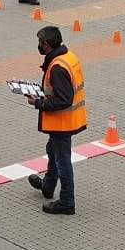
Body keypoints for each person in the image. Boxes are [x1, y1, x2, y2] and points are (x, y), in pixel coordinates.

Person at [27, 25, 85, 215]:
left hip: (62, 121)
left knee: (62, 160)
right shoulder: (67, 56)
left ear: (46, 45)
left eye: (39, 43)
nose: (38, 46)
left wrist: (39, 102)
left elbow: (63, 99)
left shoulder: (58, 67)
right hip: (68, 119)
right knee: (52, 150)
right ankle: (48, 185)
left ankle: (67, 201)